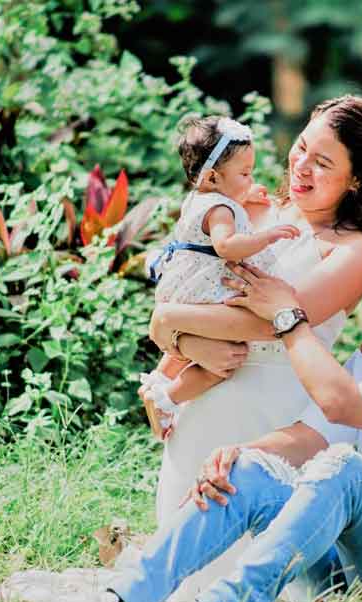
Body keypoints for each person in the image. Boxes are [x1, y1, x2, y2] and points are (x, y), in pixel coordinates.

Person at [19, 229, 362, 602]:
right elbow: (312, 433)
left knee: (347, 469)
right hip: (350, 570)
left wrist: (288, 317)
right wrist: (239, 455)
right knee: (251, 467)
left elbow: (342, 407)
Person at [146, 96, 362, 598]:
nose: (301, 166)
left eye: (323, 162)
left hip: (272, 414)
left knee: (251, 571)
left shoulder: (357, 249)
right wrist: (164, 375)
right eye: (302, 148)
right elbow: (204, 284)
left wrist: (167, 320)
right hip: (201, 401)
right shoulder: (251, 212)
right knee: (179, 560)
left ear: (356, 181)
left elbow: (267, 324)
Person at [141, 115, 301, 439]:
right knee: (227, 359)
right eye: (245, 173)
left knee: (209, 346)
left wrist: (245, 192)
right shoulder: (220, 210)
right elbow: (226, 245)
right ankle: (168, 398)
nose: (250, 178)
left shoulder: (202, 198)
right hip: (206, 288)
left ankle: (161, 381)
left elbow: (223, 207)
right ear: (213, 177)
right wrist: (267, 236)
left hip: (185, 285)